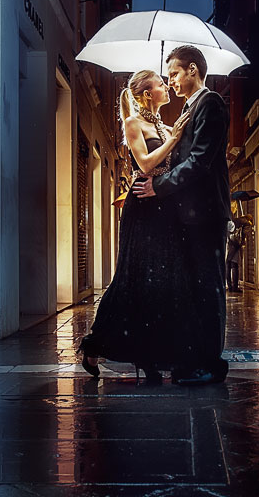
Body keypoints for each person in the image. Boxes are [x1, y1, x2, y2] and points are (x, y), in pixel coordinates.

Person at [78, 69, 191, 383]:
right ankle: (95, 345)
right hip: (141, 208)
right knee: (134, 277)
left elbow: (178, 167)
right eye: (160, 83)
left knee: (163, 281)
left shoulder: (167, 127)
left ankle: (152, 354)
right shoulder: (132, 124)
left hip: (165, 208)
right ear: (146, 93)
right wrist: (176, 139)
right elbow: (145, 163)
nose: (166, 86)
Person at [132, 45, 231, 386]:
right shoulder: (189, 110)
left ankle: (211, 364)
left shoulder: (211, 104)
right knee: (195, 291)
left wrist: (158, 186)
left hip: (206, 215)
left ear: (192, 70)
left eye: (173, 73)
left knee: (210, 288)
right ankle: (195, 360)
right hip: (189, 217)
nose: (170, 80)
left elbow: (200, 162)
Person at [225, 215, 252, 292]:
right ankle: (234, 287)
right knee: (234, 265)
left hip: (230, 243)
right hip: (236, 245)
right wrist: (242, 240)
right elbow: (247, 226)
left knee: (229, 264)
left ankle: (230, 286)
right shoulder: (245, 222)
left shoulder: (235, 220)